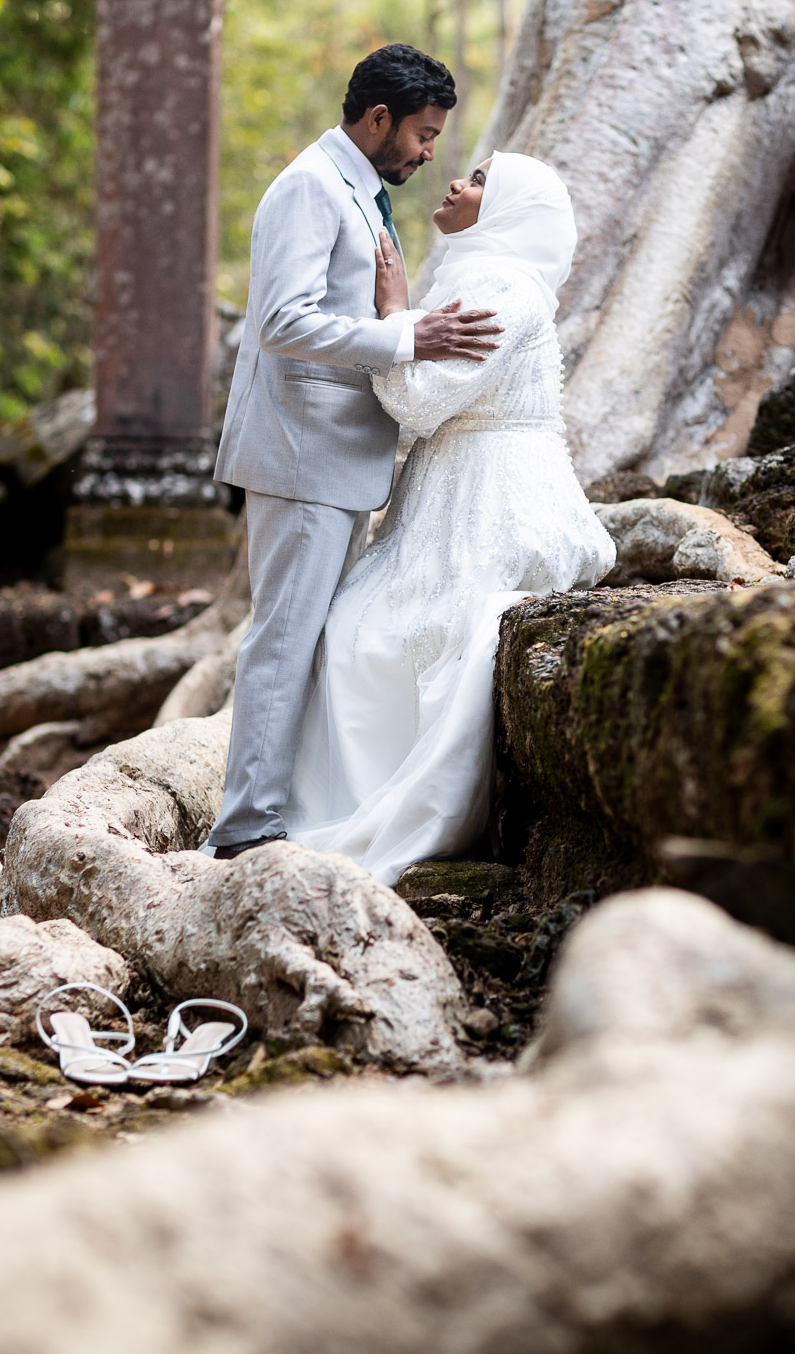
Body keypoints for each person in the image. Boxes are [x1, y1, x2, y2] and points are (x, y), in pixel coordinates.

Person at [283, 150, 616, 885]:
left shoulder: (500, 287)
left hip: (490, 492)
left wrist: (394, 317)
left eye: (479, 182)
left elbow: (419, 403)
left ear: (509, 212)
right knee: (357, 630)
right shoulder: (478, 275)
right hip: (449, 485)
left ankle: (382, 809)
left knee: (376, 637)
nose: (457, 185)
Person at [208, 44, 502, 860]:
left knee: (313, 644)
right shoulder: (309, 185)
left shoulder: (361, 190)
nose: (429, 152)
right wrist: (409, 336)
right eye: (423, 133)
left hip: (337, 459)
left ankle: (282, 810)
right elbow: (282, 321)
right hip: (302, 454)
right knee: (283, 640)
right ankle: (244, 831)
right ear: (379, 119)